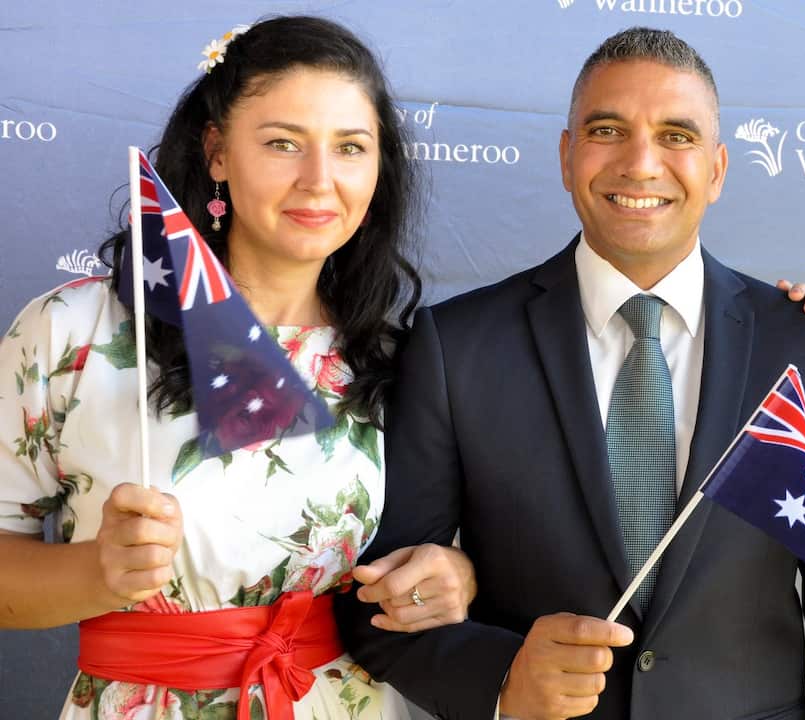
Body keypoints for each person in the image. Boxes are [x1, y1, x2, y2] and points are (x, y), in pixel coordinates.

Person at [336, 26, 805, 720]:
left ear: (718, 169)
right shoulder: (456, 345)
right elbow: (379, 605)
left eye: (677, 135)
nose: (641, 163)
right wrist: (503, 679)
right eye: (608, 129)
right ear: (567, 154)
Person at [0, 17, 476, 719]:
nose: (319, 180)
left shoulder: (400, 356)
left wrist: (454, 574)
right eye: (283, 143)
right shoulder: (73, 331)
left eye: (350, 147)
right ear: (217, 151)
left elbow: (454, 551)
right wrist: (94, 571)